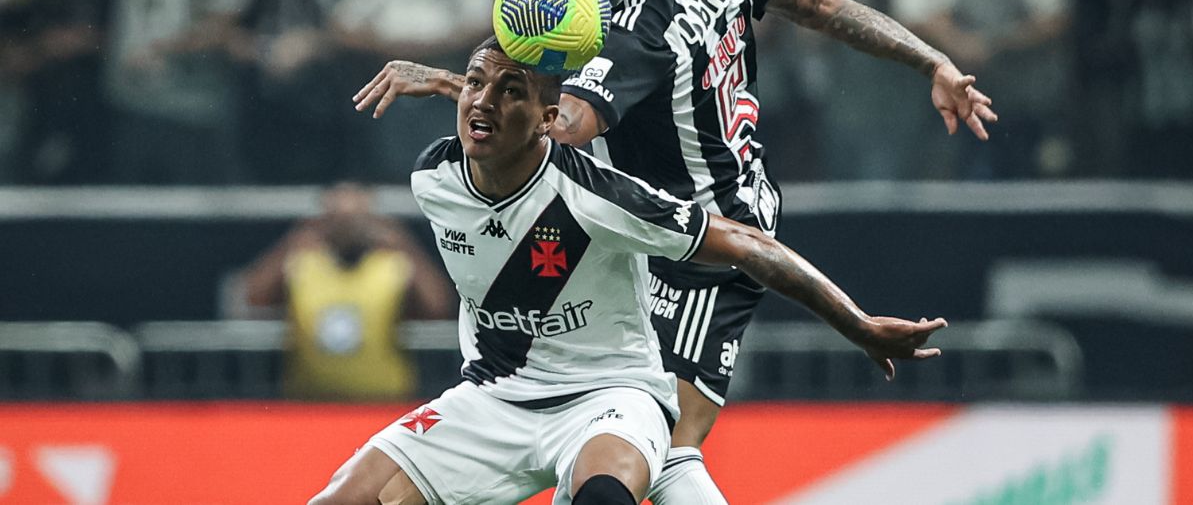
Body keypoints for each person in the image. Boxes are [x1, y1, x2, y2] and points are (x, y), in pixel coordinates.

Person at [352, 0, 993, 503]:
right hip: (698, 218)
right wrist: (931, 59)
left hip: (697, 248)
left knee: (658, 443)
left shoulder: (630, 32)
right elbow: (825, 6)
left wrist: (454, 85)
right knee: (622, 432)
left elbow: (556, 126)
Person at [312, 37, 946, 505]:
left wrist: (858, 323)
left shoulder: (598, 195)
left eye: (509, 92)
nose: (482, 101)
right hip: (492, 397)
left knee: (604, 497)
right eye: (475, 83)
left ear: (547, 119)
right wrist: (470, 84)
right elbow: (499, 105)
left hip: (610, 395)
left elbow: (751, 246)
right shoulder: (434, 176)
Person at [242, 182, 453, 401]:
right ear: (325, 220)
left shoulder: (391, 266)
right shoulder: (303, 264)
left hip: (383, 402)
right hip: (310, 404)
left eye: (356, 219)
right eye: (339, 219)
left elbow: (438, 307)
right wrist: (291, 243)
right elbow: (253, 298)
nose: (348, 228)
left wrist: (404, 245)